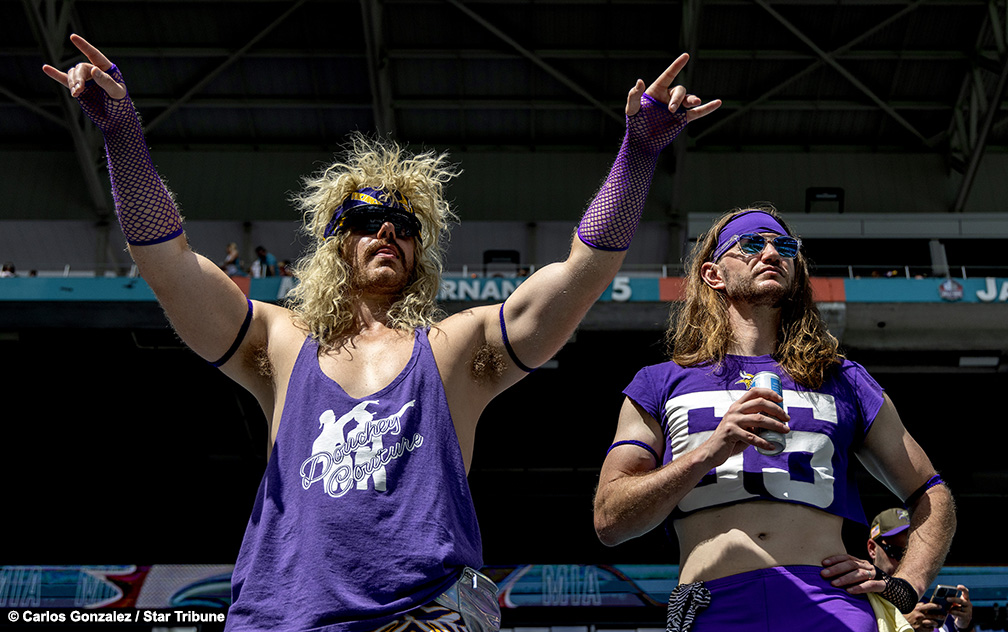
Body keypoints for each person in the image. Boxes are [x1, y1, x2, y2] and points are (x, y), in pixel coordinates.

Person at [43, 34, 720, 632]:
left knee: (463, 606)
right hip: (283, 611)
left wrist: (638, 152)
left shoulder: (457, 350)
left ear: (420, 252)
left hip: (432, 608)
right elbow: (168, 265)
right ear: (338, 245)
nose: (389, 229)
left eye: (406, 223)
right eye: (368, 219)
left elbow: (583, 271)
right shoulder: (278, 343)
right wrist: (123, 135)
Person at [593, 204, 957, 632]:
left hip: (828, 602)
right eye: (750, 244)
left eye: (784, 246)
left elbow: (932, 492)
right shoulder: (658, 383)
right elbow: (609, 521)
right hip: (712, 603)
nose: (771, 253)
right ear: (714, 274)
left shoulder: (843, 378)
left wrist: (904, 585)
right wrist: (707, 453)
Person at [867, 508, 973, 631]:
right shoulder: (857, 602)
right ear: (872, 549)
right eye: (897, 552)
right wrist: (902, 626)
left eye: (914, 554)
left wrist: (964, 626)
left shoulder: (932, 610)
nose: (906, 562)